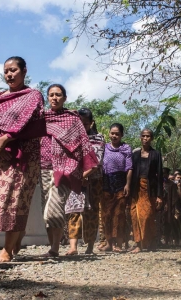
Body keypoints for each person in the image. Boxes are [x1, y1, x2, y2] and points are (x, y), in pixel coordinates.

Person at [0, 56, 46, 263]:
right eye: (6, 71)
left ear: (24, 71)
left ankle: (7, 250)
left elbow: (29, 123)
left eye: (13, 70)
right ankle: (17, 234)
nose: (9, 74)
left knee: (14, 201)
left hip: (24, 157)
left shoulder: (33, 96)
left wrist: (7, 138)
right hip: (0, 155)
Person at [39, 85, 98, 257]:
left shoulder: (72, 120)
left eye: (58, 95)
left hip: (64, 169)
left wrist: (78, 168)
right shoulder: (42, 118)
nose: (54, 98)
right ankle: (53, 247)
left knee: (54, 208)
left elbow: (83, 144)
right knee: (45, 209)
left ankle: (54, 248)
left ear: (65, 98)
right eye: (51, 95)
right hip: (43, 166)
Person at [67, 108, 106, 255]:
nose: (82, 126)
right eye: (79, 123)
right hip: (75, 178)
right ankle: (73, 247)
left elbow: (97, 161)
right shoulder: (71, 138)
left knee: (92, 211)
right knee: (73, 210)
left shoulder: (98, 138)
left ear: (91, 123)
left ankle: (90, 246)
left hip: (94, 180)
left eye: (85, 123)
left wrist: (84, 175)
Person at [98, 123, 132, 252]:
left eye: (117, 134)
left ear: (122, 135)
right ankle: (108, 243)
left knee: (119, 214)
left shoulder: (126, 148)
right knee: (106, 214)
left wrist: (128, 184)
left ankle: (118, 244)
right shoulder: (105, 148)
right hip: (106, 183)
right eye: (112, 133)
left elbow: (129, 168)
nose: (114, 136)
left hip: (120, 184)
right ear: (109, 133)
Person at [129, 129, 163, 253]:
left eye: (148, 136)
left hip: (150, 190)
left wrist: (160, 195)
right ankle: (138, 243)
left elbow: (159, 175)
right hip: (136, 190)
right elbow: (130, 171)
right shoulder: (135, 154)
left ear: (152, 138)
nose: (145, 138)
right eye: (143, 136)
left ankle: (150, 241)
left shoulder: (156, 154)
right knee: (135, 216)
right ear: (140, 138)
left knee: (147, 216)